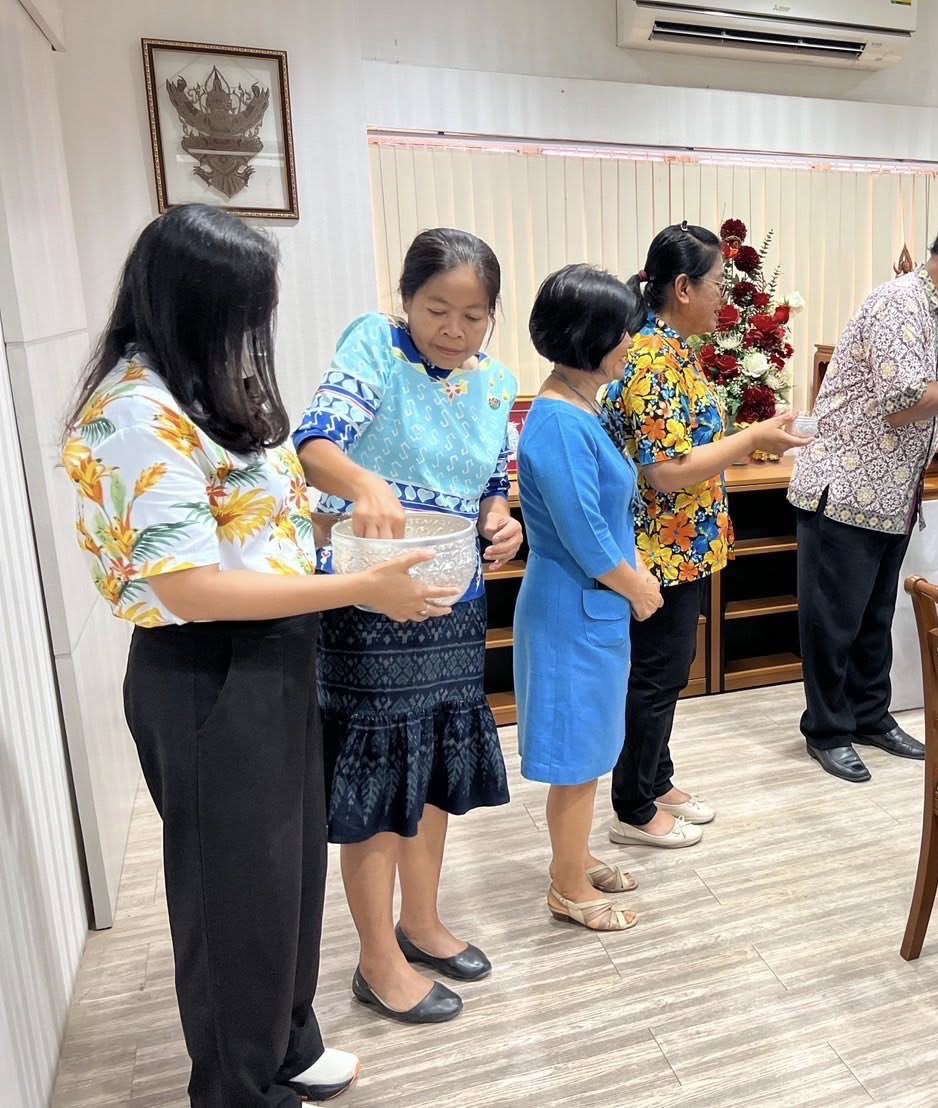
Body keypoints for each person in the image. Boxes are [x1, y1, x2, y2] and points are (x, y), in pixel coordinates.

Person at [61, 204, 458, 1106]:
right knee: (231, 898)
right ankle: (240, 1088)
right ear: (194, 301)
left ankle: (288, 1042)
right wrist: (360, 588)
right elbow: (190, 588)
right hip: (208, 673)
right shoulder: (134, 412)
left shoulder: (204, 388)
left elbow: (257, 520)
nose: (257, 330)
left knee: (287, 874)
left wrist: (346, 525)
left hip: (276, 654)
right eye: (247, 307)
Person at [295, 228, 523, 1024]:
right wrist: (362, 482)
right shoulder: (375, 348)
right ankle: (376, 960)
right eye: (437, 308)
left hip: (452, 599)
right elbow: (314, 442)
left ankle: (420, 921)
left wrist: (502, 517)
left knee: (431, 769)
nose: (453, 330)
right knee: (383, 777)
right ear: (406, 297)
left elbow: (496, 476)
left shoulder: (495, 381)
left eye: (473, 315)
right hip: (369, 601)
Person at [788, 211, 938, 783]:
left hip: (892, 494)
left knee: (874, 617)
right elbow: (902, 402)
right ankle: (827, 730)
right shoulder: (899, 304)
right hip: (847, 487)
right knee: (834, 622)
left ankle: (871, 716)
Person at [603, 223, 809, 847]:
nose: (725, 295)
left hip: (683, 544)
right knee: (657, 674)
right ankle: (633, 806)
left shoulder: (674, 351)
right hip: (656, 549)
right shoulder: (649, 359)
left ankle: (656, 777)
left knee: (669, 670)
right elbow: (664, 473)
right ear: (683, 287)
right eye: (718, 283)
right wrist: (752, 439)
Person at [514, 264, 662, 930]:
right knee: (576, 755)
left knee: (592, 744)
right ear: (588, 336)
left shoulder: (579, 406)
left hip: (586, 606)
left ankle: (571, 858)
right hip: (572, 608)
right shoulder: (555, 421)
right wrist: (635, 585)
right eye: (623, 331)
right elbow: (582, 530)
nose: (631, 342)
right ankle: (568, 887)